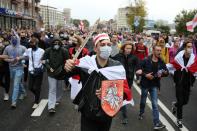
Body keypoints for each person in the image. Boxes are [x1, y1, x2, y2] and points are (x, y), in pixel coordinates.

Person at [64, 33, 132, 131]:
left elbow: (125, 92)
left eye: (108, 45)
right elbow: (64, 74)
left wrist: (109, 93)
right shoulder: (85, 63)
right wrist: (67, 66)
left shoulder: (117, 67)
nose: (106, 47)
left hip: (107, 114)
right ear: (95, 48)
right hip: (88, 112)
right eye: (102, 45)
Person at [136, 45, 168, 130]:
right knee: (143, 101)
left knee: (155, 104)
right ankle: (141, 112)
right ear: (153, 51)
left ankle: (156, 123)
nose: (159, 52)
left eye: (160, 50)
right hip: (145, 84)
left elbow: (166, 72)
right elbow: (138, 70)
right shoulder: (146, 60)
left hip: (154, 85)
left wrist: (164, 73)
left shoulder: (161, 61)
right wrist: (145, 75)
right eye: (157, 50)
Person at [167, 39, 197, 128]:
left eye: (191, 47)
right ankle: (179, 119)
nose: (190, 48)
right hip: (179, 83)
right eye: (188, 47)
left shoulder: (194, 59)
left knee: (185, 101)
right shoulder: (178, 58)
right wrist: (162, 70)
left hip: (188, 83)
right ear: (184, 47)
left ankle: (174, 105)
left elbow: (195, 70)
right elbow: (171, 66)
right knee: (180, 101)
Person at [113, 42, 138, 124]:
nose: (128, 50)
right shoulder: (118, 56)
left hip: (129, 80)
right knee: (122, 96)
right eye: (127, 48)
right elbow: (111, 63)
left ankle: (120, 107)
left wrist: (139, 71)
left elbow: (138, 66)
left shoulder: (134, 57)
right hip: (120, 79)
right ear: (123, 48)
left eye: (130, 48)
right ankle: (125, 116)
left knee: (124, 96)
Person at [42, 37, 69, 113]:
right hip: (51, 73)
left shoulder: (64, 51)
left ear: (60, 43)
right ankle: (51, 106)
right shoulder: (48, 50)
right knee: (52, 89)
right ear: (52, 43)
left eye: (58, 43)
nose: (56, 45)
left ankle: (58, 99)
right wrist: (48, 67)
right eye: (55, 43)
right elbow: (44, 61)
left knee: (59, 87)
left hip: (60, 72)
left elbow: (67, 61)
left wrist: (62, 68)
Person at [3, 29, 27, 108]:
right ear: (10, 40)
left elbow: (27, 56)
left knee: (15, 85)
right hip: (11, 68)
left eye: (15, 38)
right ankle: (23, 92)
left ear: (18, 39)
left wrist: (19, 58)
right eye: (12, 38)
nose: (14, 40)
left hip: (19, 68)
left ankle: (14, 102)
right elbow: (4, 57)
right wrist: (10, 60)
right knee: (17, 83)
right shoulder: (7, 48)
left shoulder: (22, 48)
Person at [23, 35, 45, 109]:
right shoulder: (28, 50)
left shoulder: (41, 51)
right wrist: (22, 62)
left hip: (39, 71)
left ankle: (36, 101)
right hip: (31, 71)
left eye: (32, 43)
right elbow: (24, 57)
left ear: (36, 43)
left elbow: (45, 59)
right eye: (30, 43)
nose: (31, 44)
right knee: (30, 87)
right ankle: (37, 94)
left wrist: (43, 65)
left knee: (37, 87)